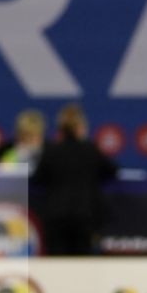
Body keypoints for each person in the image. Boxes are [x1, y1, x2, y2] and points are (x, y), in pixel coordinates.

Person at [31, 103, 116, 255]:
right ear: (80, 127)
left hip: (56, 216)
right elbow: (112, 171)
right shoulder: (90, 150)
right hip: (83, 215)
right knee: (81, 266)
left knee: (57, 266)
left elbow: (37, 178)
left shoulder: (52, 151)